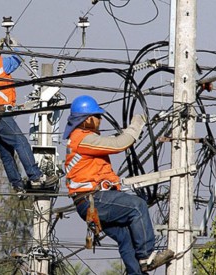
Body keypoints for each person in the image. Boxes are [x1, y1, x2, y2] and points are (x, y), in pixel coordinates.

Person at [64, 95, 174, 274]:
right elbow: (118, 145)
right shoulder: (83, 139)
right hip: (94, 200)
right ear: (86, 119)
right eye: (97, 116)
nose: (100, 120)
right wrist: (136, 125)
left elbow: (113, 142)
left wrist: (126, 134)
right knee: (137, 207)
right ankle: (147, 256)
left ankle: (137, 271)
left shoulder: (83, 139)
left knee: (127, 238)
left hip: (88, 203)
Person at [0, 35, 57, 196]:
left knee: (6, 153)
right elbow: (18, 58)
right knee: (21, 142)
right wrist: (14, 45)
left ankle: (18, 186)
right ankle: (36, 177)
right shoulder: (1, 63)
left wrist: (0, 47)